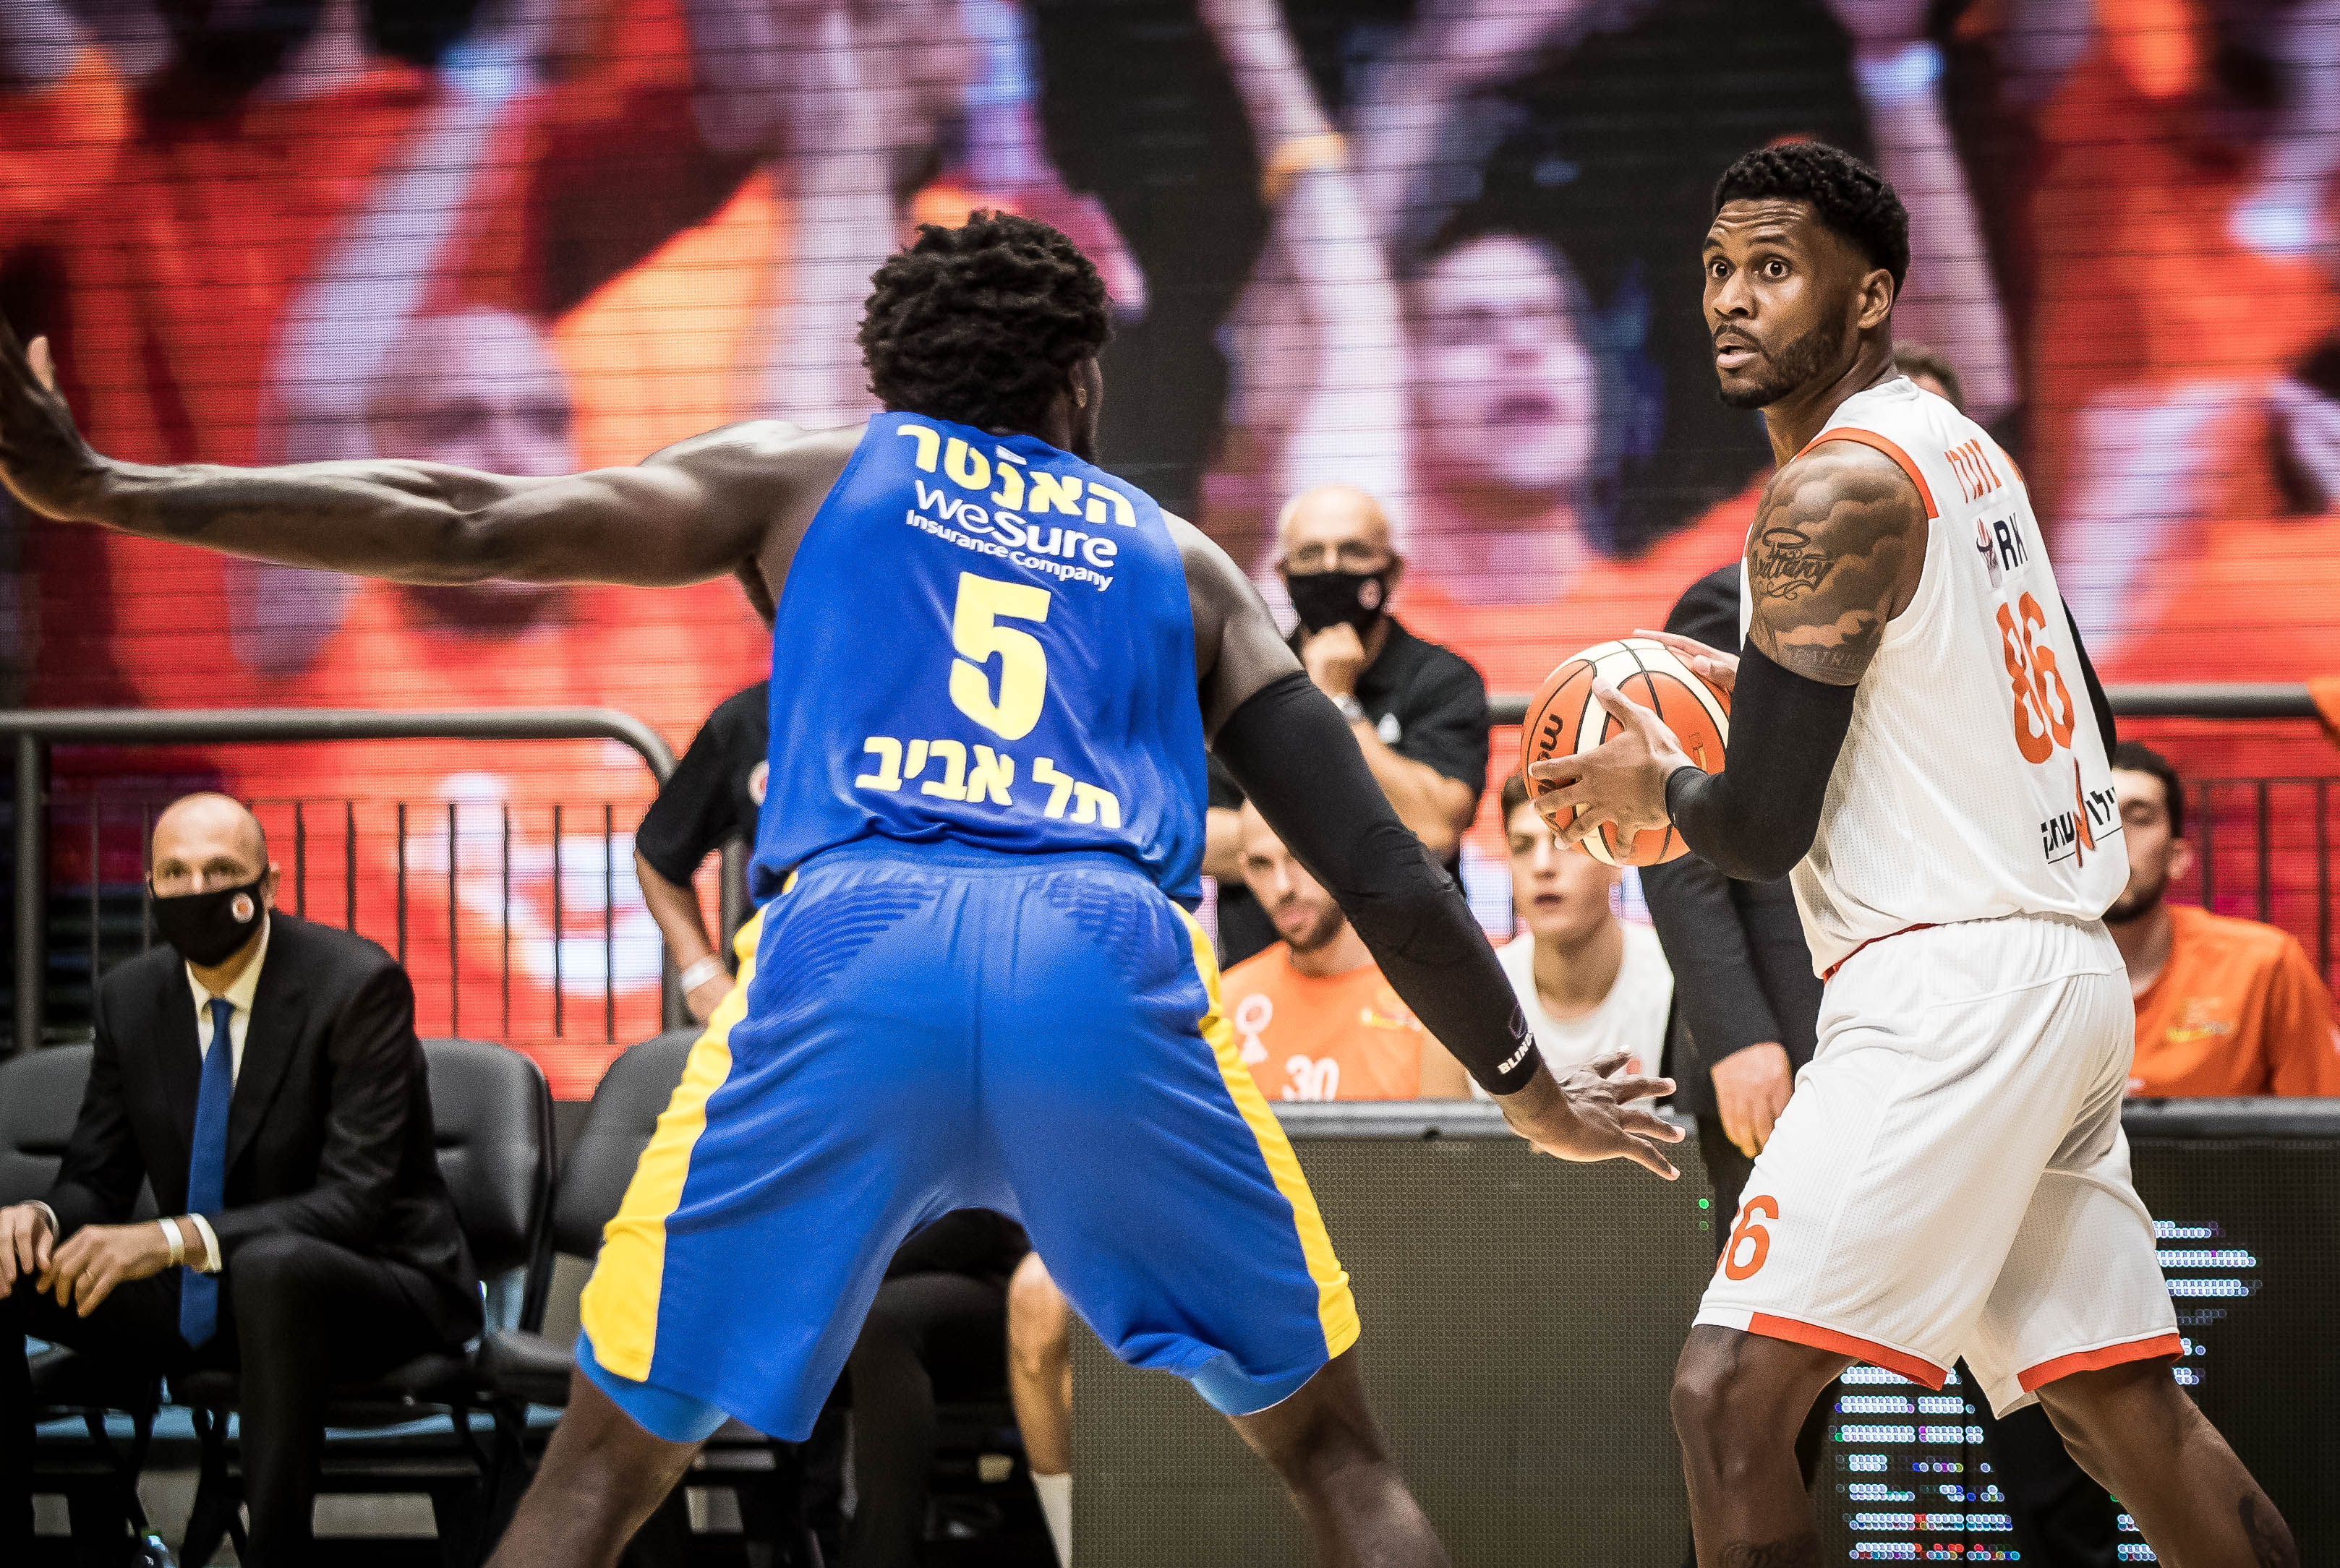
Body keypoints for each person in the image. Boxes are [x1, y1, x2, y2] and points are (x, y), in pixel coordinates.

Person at [0, 210, 1682, 1568]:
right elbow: (1379, 862)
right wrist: (1525, 1085)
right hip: (1097, 955)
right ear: (1079, 380)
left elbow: (463, 521)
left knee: (600, 1471)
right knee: (1333, 1454)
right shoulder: (1178, 559)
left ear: (891, 378)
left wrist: (106, 491)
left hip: (852, 944)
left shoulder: (811, 470)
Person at [1532, 141, 2296, 1565]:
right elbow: (2092, 716)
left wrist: (1658, 782)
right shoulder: (1964, 451)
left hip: (1945, 993)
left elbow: (1757, 828)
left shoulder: (1830, 494)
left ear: (1871, 294)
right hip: (2060, 975)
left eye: (1774, 267)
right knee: (2122, 1411)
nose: (1731, 297)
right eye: (1716, 268)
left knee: (1725, 1398)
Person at [0, 793, 480, 1565]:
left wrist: (170, 1239)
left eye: (221, 871)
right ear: (150, 887)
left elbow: (355, 1203)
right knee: (6, 1266)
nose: (197, 891)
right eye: (175, 874)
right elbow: (97, 1176)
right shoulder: (131, 998)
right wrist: (42, 1219)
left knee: (271, 1267)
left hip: (379, 1285)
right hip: (211, 1296)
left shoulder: (357, 985)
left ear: (270, 882)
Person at [1004, 795, 1472, 1567]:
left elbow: (1452, 1191)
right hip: (1219, 1258)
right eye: (1258, 865)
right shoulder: (1217, 994)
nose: (1282, 885)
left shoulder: (1420, 996)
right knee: (1035, 1292)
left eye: (1297, 860)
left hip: (1376, 1273)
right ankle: (1076, 1546)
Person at [1208, 484, 1490, 967]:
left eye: (1353, 551)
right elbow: (1197, 840)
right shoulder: (1237, 679)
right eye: (1311, 554)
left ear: (1392, 570)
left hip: (1412, 972)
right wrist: (1367, 837)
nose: (1330, 568)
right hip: (1266, 975)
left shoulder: (1443, 678)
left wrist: (1337, 703)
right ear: (1283, 574)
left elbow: (1436, 828)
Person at [2107, 742, 2340, 1098]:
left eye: (2139, 818)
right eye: (2093, 817)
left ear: (2177, 857)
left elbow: (2320, 1123)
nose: (2112, 838)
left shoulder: (2265, 964)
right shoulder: (2020, 971)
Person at [1493, 770, 1671, 1092]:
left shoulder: (1677, 981)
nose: (1542, 866)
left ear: (1616, 859)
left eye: (1566, 843)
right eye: (1522, 846)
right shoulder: (1474, 993)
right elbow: (1439, 1123)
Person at [636, 677, 773, 1023]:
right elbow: (657, 852)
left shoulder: (908, 710)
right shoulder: (752, 717)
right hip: (771, 1005)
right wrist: (700, 973)